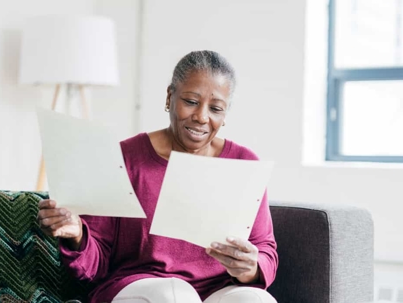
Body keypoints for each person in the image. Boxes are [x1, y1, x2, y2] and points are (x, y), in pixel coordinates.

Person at [37, 50, 278, 303]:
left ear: (225, 113)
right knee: (174, 296)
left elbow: (266, 250)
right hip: (139, 286)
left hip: (219, 289)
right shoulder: (123, 158)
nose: (202, 117)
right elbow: (94, 266)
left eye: (216, 108)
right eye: (191, 101)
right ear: (169, 97)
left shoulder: (244, 163)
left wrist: (251, 267)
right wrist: (78, 235)